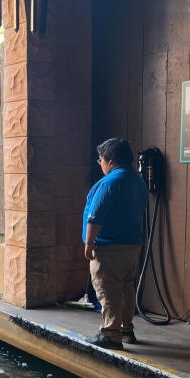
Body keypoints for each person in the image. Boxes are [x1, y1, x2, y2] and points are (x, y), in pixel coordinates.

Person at [82, 138, 148, 349]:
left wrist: (89, 242)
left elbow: (95, 216)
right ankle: (126, 329)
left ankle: (111, 334)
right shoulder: (138, 181)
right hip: (132, 245)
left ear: (110, 160)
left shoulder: (110, 182)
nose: (100, 164)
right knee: (126, 287)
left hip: (108, 246)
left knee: (108, 289)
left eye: (100, 160)